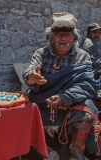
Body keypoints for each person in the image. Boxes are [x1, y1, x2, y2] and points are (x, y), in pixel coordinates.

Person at [22, 12, 99, 160]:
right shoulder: (42, 53)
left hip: (71, 102)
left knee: (88, 109)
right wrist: (31, 78)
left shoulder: (83, 56)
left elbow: (87, 85)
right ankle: (47, 151)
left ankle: (76, 151)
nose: (63, 38)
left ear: (74, 37)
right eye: (58, 34)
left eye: (67, 34)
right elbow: (30, 72)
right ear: (51, 37)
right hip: (44, 101)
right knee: (25, 110)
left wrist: (64, 97)